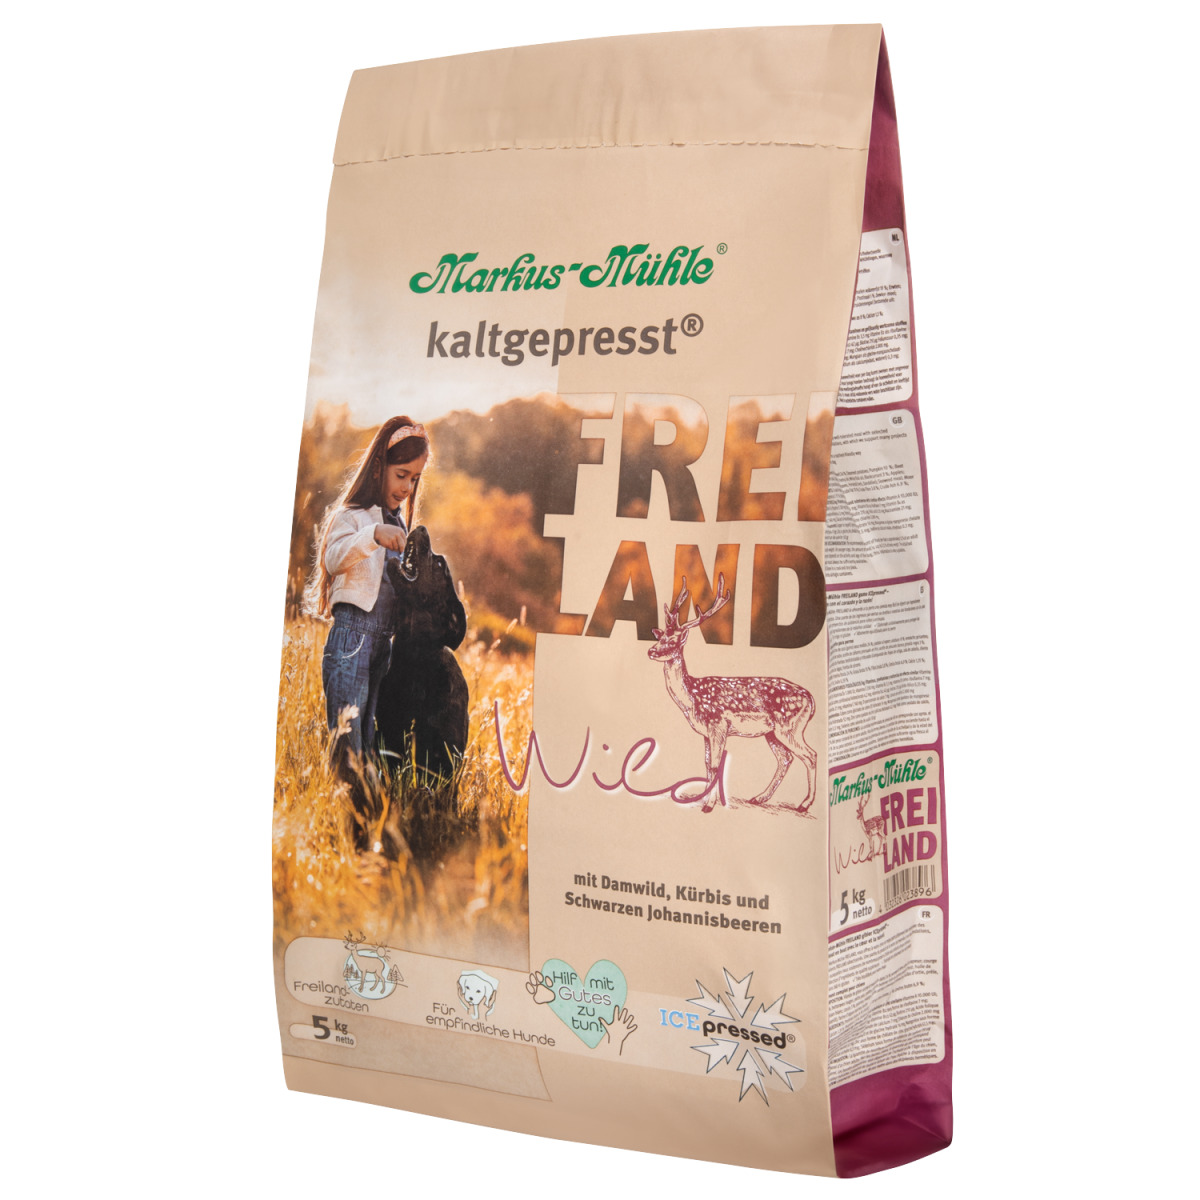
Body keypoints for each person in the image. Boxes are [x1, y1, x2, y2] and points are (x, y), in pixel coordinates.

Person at [306, 416, 430, 776]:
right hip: (352, 640)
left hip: (383, 647)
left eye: (415, 479)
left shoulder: (399, 523)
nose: (407, 487)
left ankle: (370, 800)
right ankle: (345, 799)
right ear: (379, 467)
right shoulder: (354, 516)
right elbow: (333, 558)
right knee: (348, 739)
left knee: (370, 740)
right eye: (401, 474)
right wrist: (372, 535)